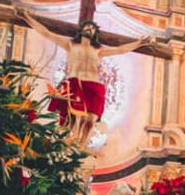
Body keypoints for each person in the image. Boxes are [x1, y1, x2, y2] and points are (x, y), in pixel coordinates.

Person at [21, 11, 151, 146]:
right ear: (81, 30)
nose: (90, 29)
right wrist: (26, 17)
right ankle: (67, 144)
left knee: (90, 121)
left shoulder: (99, 50)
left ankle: (80, 148)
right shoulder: (70, 45)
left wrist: (139, 43)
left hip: (94, 86)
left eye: (93, 29)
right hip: (75, 83)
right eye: (87, 27)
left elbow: (120, 49)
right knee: (74, 119)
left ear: (95, 34)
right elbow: (46, 33)